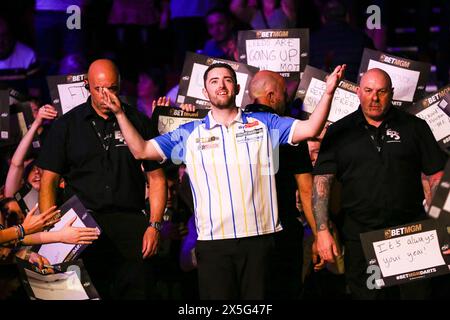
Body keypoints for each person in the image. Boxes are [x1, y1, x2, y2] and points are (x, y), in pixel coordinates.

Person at [104, 62, 345, 299]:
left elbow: (312, 128)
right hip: (213, 245)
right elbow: (142, 150)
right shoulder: (190, 133)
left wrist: (329, 91)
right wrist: (119, 113)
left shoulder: (265, 124)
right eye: (214, 81)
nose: (221, 85)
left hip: (259, 242)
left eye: (227, 80)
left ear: (237, 89)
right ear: (205, 91)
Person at [37, 59, 167, 300]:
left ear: (120, 86)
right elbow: (49, 181)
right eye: (99, 89)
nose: (106, 95)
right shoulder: (66, 126)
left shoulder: (137, 121)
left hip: (130, 223)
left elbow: (157, 179)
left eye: (112, 88)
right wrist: (51, 234)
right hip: (82, 226)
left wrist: (154, 225)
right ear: (87, 85)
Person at [313, 68, 447, 299]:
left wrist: (444, 229)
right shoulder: (338, 132)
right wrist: (322, 231)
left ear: (391, 93)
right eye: (368, 90)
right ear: (358, 92)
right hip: (361, 237)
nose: (374, 98)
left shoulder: (415, 126)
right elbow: (321, 183)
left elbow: (436, 178)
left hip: (410, 234)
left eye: (381, 91)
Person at [245, 70, 318, 299]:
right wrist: (319, 234)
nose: (287, 99)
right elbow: (307, 190)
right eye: (284, 94)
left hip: (241, 235)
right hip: (282, 234)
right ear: (273, 96)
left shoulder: (230, 127)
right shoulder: (291, 131)